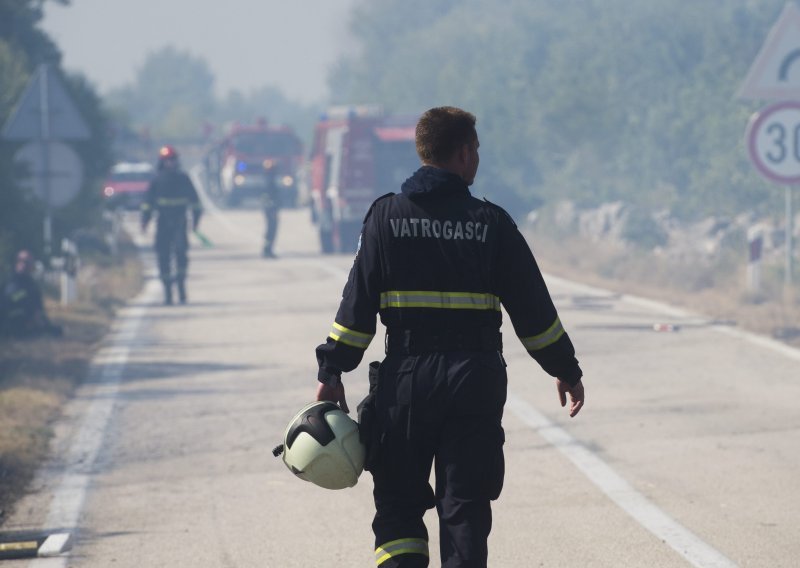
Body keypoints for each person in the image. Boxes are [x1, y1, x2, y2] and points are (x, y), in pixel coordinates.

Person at [314, 106, 585, 568]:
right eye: (475, 150)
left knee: (398, 506)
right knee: (465, 510)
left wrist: (332, 368)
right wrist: (565, 369)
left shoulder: (384, 217)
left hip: (405, 386)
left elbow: (356, 309)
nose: (477, 159)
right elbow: (534, 311)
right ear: (462, 154)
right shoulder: (491, 223)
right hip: (473, 382)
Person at [141, 145, 203, 305]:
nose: (171, 163)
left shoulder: (184, 179)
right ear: (162, 162)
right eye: (167, 160)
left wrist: (195, 222)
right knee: (163, 257)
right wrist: (145, 222)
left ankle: (181, 288)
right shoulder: (156, 180)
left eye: (173, 160)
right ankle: (168, 292)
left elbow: (195, 203)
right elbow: (148, 203)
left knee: (181, 255)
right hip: (162, 223)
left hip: (180, 223)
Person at [0, 250, 62, 338]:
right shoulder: (8, 281)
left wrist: (44, 324)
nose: (22, 264)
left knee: (55, 331)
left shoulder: (32, 286)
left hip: (25, 325)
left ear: (32, 265)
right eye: (19, 260)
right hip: (8, 322)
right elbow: (8, 301)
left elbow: (39, 310)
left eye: (26, 262)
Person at [261, 160, 281, 258]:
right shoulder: (269, 181)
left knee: (271, 230)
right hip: (271, 208)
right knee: (271, 230)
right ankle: (267, 250)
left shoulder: (268, 179)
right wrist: (272, 207)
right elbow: (270, 195)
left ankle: (268, 250)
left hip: (270, 208)